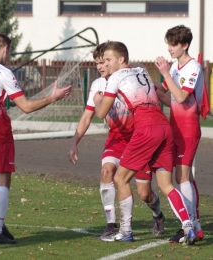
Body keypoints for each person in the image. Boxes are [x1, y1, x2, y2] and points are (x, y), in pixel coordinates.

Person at [0, 33, 72, 244]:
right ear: (5, 49)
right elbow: (27, 107)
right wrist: (53, 97)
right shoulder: (4, 73)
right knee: (3, 179)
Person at [93, 41, 197, 245]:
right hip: (164, 127)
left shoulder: (116, 77)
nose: (105, 63)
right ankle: (188, 226)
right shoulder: (142, 72)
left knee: (120, 179)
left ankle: (126, 231)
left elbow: (101, 113)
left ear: (121, 59)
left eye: (108, 59)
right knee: (166, 185)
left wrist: (98, 100)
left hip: (146, 128)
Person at [68, 43, 165, 242]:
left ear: (115, 61)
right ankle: (112, 225)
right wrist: (74, 142)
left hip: (139, 137)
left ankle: (157, 213)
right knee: (107, 172)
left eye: (104, 61)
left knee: (145, 194)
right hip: (116, 138)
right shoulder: (97, 85)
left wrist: (99, 102)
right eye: (97, 63)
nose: (100, 66)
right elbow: (87, 117)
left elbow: (134, 65)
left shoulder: (127, 75)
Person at [154, 25, 204, 243]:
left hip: (188, 128)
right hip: (175, 127)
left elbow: (182, 97)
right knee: (185, 177)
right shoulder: (175, 66)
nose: (169, 48)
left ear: (185, 45)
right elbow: (168, 96)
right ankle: (196, 225)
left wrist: (165, 73)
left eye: (173, 44)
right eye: (168, 43)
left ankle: (190, 225)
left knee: (181, 177)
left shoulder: (193, 67)